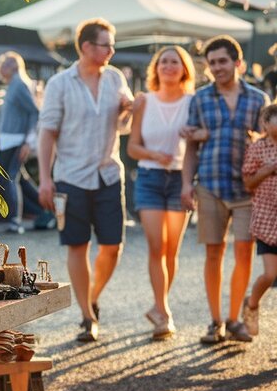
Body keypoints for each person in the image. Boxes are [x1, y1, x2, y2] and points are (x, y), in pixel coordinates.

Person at [38, 18, 133, 342]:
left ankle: (91, 296)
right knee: (77, 245)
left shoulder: (116, 78)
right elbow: (47, 132)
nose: (112, 51)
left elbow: (124, 125)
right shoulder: (60, 84)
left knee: (113, 246)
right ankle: (87, 316)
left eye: (112, 45)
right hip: (70, 177)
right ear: (87, 46)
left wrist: (127, 110)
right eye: (107, 45)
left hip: (108, 173)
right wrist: (45, 179)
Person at [180, 35, 269, 345]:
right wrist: (185, 184)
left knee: (244, 252)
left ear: (237, 63)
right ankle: (215, 321)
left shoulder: (258, 99)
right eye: (212, 63)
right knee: (213, 253)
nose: (216, 67)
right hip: (210, 184)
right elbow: (190, 147)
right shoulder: (200, 98)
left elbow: (268, 141)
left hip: (248, 189)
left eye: (222, 61)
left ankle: (234, 319)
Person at [127, 46, 196, 340]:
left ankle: (158, 306)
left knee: (172, 250)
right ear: (156, 68)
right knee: (157, 246)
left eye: (174, 62)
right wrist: (155, 155)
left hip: (181, 179)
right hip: (150, 178)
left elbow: (197, 142)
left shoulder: (193, 102)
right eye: (163, 62)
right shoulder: (145, 101)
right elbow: (132, 147)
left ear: (184, 69)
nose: (168, 66)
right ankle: (164, 311)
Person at [0, 51, 44, 233]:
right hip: (8, 139)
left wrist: (28, 142)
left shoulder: (19, 84)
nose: (0, 67)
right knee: (18, 179)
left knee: (9, 179)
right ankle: (48, 209)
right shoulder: (13, 85)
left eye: (4, 64)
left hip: (16, 140)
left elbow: (34, 112)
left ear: (14, 66)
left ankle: (15, 220)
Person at [239, 103, 277, 338]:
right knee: (270, 274)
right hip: (267, 219)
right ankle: (252, 305)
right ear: (265, 123)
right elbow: (248, 183)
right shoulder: (258, 148)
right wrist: (268, 170)